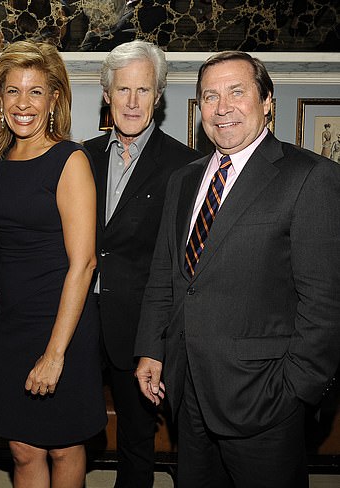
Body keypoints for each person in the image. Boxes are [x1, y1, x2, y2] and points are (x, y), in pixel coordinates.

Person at [134, 50, 340, 488]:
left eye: (236, 92)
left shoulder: (310, 177)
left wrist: (293, 392)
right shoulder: (184, 180)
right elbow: (166, 277)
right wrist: (152, 350)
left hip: (265, 401)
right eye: (210, 96)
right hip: (188, 393)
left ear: (267, 101)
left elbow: (324, 305)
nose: (222, 107)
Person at [0, 40, 106, 488]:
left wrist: (55, 355)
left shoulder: (69, 160)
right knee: (21, 448)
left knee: (63, 444)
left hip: (62, 322)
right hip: (14, 324)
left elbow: (85, 263)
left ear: (55, 98)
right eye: (12, 90)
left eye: (36, 91)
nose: (23, 103)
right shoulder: (4, 158)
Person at [83, 40, 200, 488]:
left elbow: (184, 266)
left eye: (144, 90)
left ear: (159, 96)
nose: (132, 102)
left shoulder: (186, 166)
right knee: (68, 431)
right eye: (123, 89)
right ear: (107, 94)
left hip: (141, 332)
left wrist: (161, 339)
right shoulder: (80, 157)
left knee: (136, 443)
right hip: (79, 324)